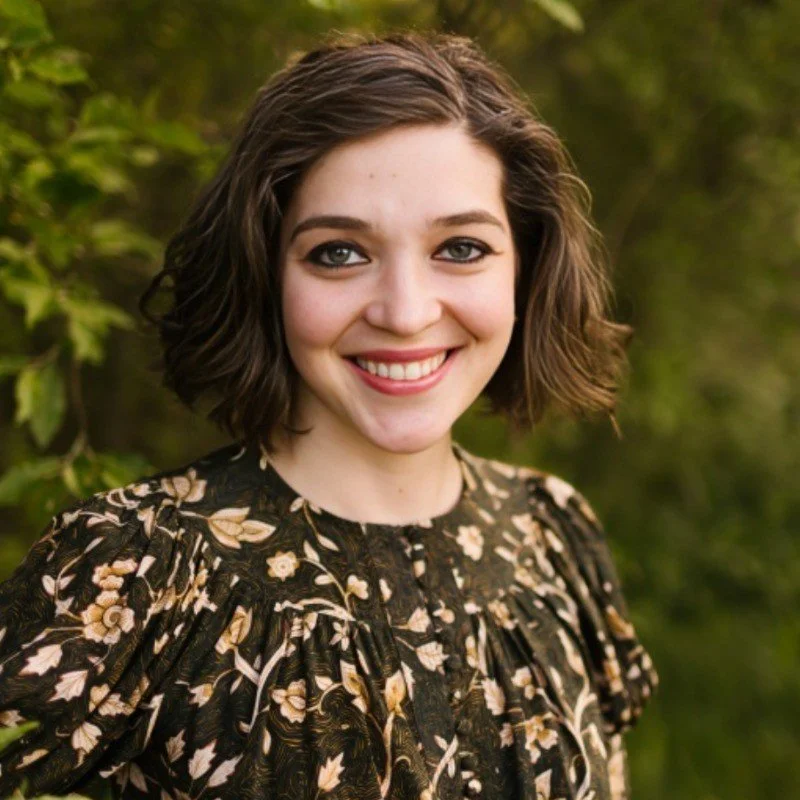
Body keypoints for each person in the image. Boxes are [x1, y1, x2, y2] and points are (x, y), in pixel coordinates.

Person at [0, 30, 658, 800]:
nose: (406, 313)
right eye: (339, 253)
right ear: (263, 270)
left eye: (462, 248)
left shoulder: (554, 536)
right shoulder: (138, 569)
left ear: (529, 265)